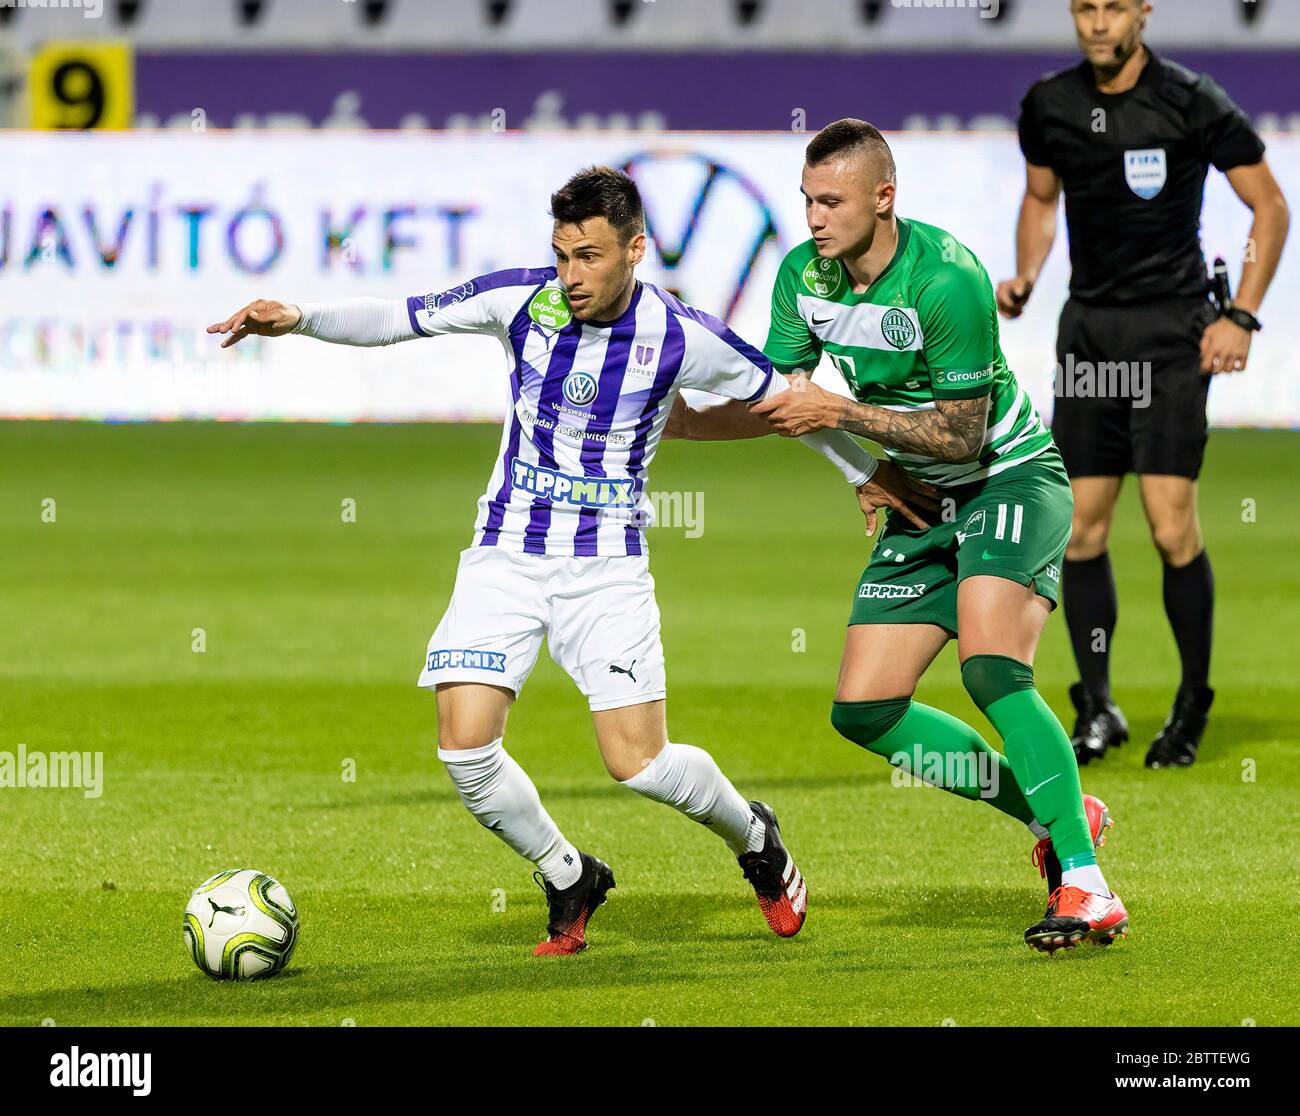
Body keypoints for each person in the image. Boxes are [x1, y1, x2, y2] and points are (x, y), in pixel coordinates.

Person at [207, 166, 888, 956]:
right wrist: (297, 316)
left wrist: (864, 472)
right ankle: (569, 874)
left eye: (590, 257)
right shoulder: (519, 302)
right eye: (563, 254)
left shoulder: (680, 334)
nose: (571, 276)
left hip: (606, 571)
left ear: (635, 250)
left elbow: (785, 398)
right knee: (464, 748)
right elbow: (399, 318)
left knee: (638, 764)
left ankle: (755, 837)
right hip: (505, 555)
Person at [669, 119, 1122, 953]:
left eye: (831, 201)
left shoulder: (946, 279)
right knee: (866, 709)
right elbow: (780, 397)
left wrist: (840, 413)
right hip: (921, 503)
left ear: (883, 198)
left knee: (990, 668)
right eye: (806, 200)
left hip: (1007, 481)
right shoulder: (804, 277)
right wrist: (683, 425)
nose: (812, 218)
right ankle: (1053, 811)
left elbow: (960, 436)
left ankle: (1087, 884)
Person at [999, 0, 1289, 768]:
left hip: (1171, 337)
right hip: (1090, 333)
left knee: (1170, 526)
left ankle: (1191, 704)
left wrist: (1245, 317)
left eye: (1113, 8)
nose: (1098, 23)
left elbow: (1270, 205)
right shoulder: (1049, 104)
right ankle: (1097, 704)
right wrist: (1028, 271)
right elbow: (1040, 197)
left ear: (1143, 14)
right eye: (1085, 8)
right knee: (1082, 530)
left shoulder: (1190, 99)